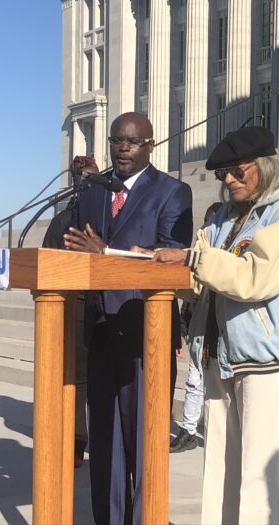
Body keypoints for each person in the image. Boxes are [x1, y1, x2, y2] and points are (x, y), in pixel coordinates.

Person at [136, 126, 279, 524]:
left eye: (236, 171)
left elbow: (257, 277)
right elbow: (201, 279)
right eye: (221, 176)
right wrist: (152, 262)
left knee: (256, 475)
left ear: (265, 165)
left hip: (259, 359)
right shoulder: (225, 215)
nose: (229, 181)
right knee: (217, 467)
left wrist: (191, 259)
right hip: (216, 355)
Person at [63, 112, 193, 525]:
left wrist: (106, 256)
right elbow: (68, 244)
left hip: (145, 333)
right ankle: (110, 518)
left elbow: (170, 260)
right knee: (104, 442)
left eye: (132, 142)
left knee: (142, 438)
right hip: (101, 330)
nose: (122, 148)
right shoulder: (93, 192)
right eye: (117, 140)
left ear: (150, 145)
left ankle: (147, 518)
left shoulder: (173, 192)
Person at [43, 155, 99, 467]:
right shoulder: (64, 220)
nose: (87, 183)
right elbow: (48, 263)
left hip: (104, 304)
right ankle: (76, 442)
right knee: (76, 379)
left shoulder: (104, 216)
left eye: (92, 177)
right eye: (83, 179)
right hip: (73, 305)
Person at [170, 201, 223, 453]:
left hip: (222, 331)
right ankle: (189, 429)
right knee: (193, 380)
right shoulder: (198, 255)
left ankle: (215, 430)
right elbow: (188, 303)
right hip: (199, 330)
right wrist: (181, 331)